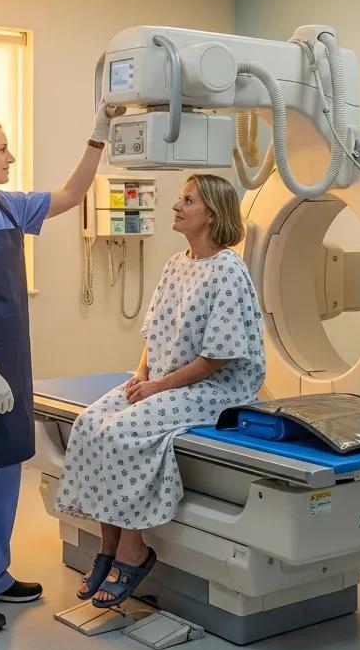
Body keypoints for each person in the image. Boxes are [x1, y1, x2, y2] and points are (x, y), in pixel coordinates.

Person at [0, 104, 119, 634]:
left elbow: (73, 195)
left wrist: (97, 136)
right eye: (3, 148)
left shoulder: (7, 209)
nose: (11, 157)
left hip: (8, 361)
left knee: (4, 473)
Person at [55, 174, 265, 608]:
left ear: (211, 213)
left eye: (187, 200)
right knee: (90, 423)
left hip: (218, 387)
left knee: (121, 434)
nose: (176, 206)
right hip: (164, 379)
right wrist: (140, 376)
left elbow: (218, 358)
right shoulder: (176, 264)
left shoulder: (228, 269)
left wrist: (158, 387)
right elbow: (153, 335)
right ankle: (108, 543)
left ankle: (135, 549)